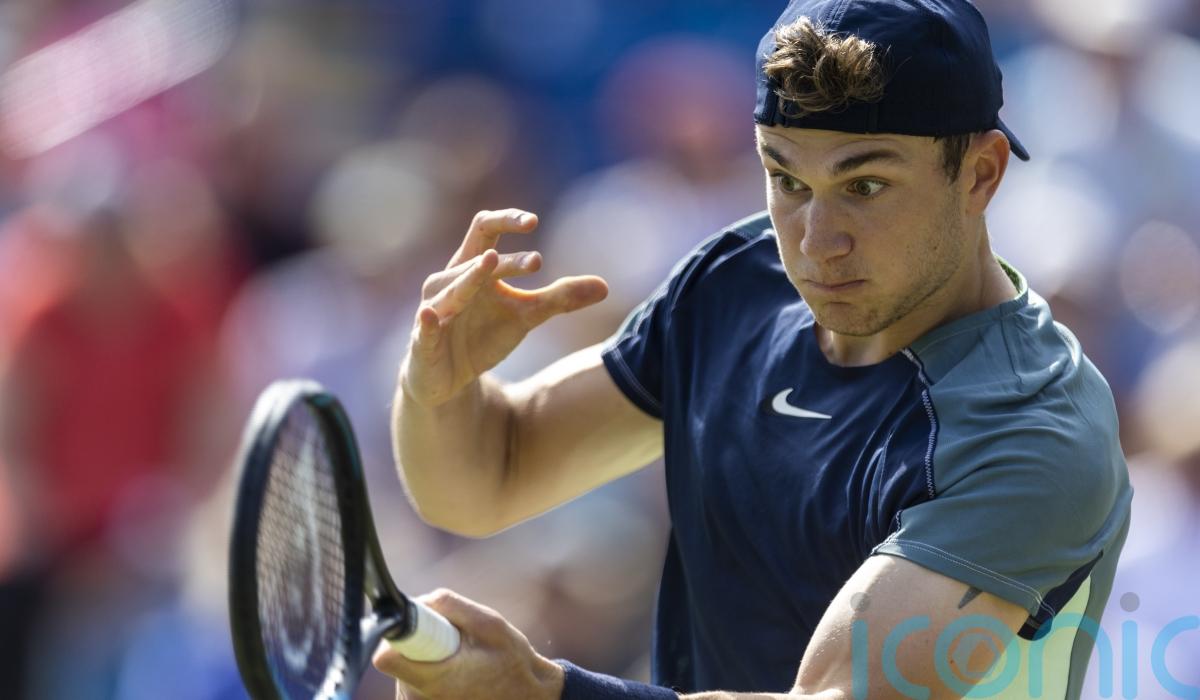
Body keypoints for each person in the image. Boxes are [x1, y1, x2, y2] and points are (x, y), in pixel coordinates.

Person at [374, 0, 1132, 697]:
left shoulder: (1036, 430)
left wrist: (544, 692)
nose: (816, 241)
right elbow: (489, 474)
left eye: (865, 186)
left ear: (980, 174)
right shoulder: (735, 283)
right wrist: (440, 384)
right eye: (786, 179)